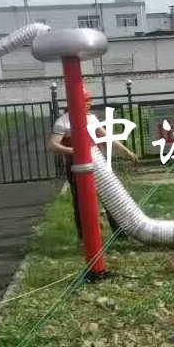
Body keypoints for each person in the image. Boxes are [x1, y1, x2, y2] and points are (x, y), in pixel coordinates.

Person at [48, 87, 138, 241]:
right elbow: (52, 145)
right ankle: (84, 237)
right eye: (86, 101)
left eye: (90, 101)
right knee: (81, 200)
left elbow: (106, 137)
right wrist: (73, 151)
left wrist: (126, 152)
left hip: (97, 164)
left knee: (111, 195)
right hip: (76, 167)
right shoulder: (63, 122)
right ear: (75, 102)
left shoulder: (91, 118)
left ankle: (120, 234)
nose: (89, 104)